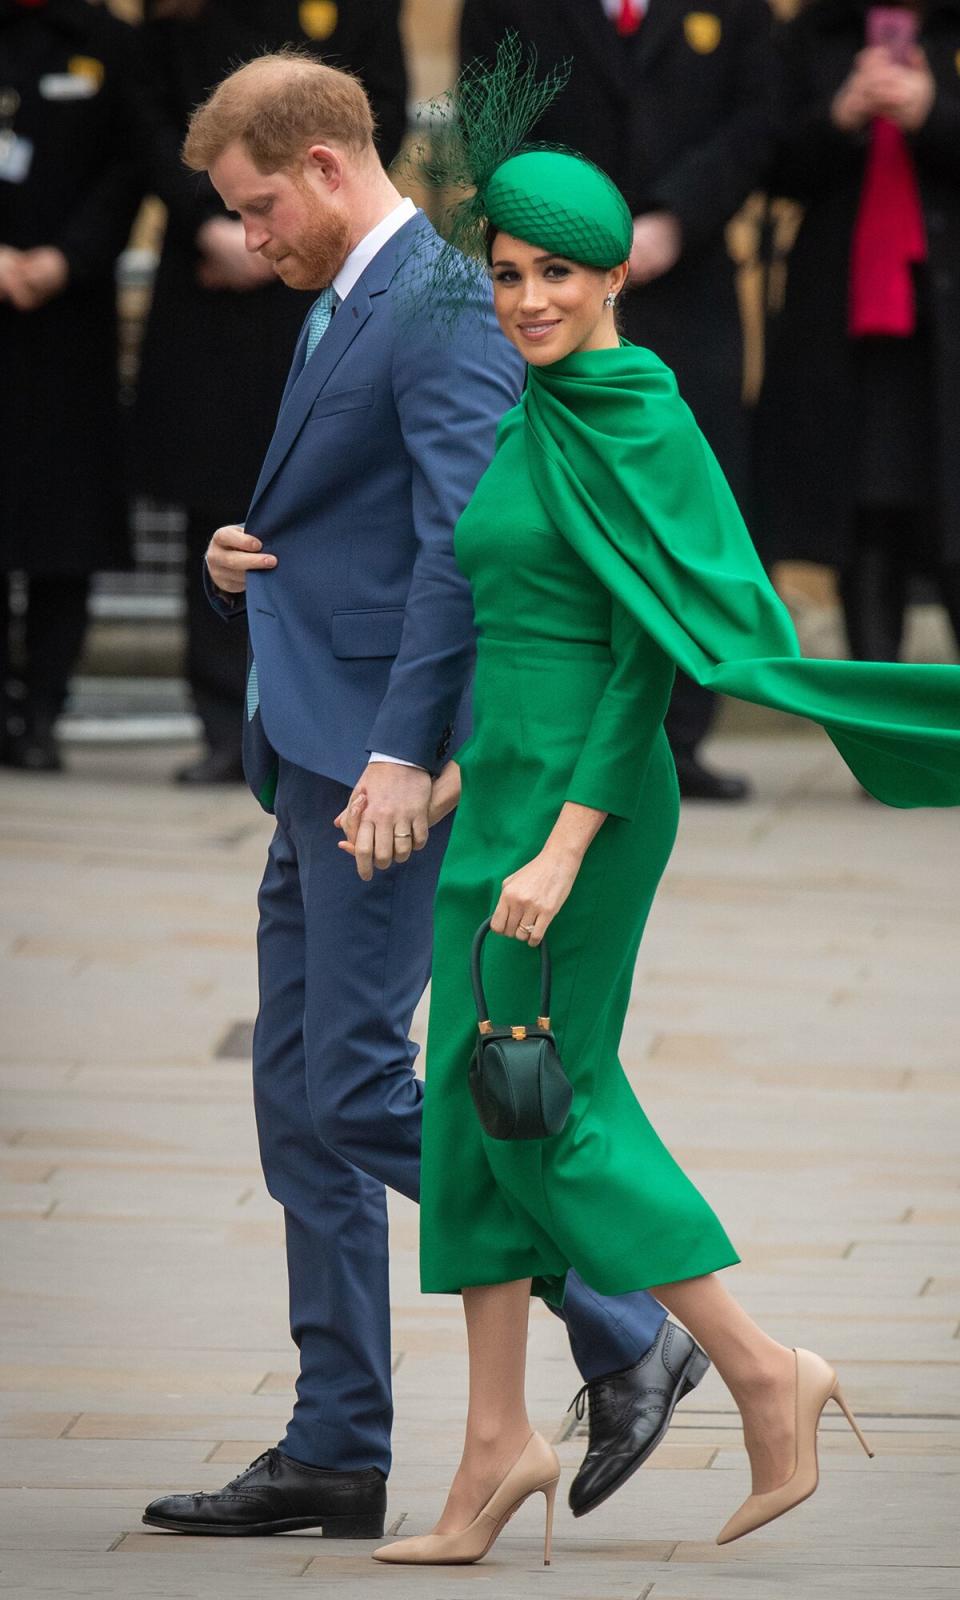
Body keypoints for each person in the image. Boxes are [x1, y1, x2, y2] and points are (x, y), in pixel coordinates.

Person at [345, 69, 960, 1566]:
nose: (529, 297)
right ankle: (494, 1451)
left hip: (585, 806)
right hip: (496, 794)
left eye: (559, 272)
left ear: (618, 275)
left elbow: (643, 664)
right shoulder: (538, 412)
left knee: (550, 1102)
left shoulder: (638, 417)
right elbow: (481, 589)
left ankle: (763, 1370)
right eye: (506, 274)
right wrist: (430, 766)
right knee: (471, 1114)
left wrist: (563, 843)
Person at [141, 53, 708, 1544]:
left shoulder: (441, 305)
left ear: (326, 167)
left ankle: (630, 1319)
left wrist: (416, 757)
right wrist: (252, 560)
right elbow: (385, 524)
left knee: (355, 1088)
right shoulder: (347, 297)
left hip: (393, 775)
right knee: (297, 1107)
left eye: (260, 210)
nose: (247, 239)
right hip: (315, 750)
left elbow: (480, 550)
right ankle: (337, 1441)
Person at [461, 0, 780, 802]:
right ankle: (564, 721)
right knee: (553, 499)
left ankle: (681, 735)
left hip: (691, 273)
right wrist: (569, 233)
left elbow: (761, 115)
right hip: (556, 276)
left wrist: (674, 216)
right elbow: (490, 116)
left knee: (678, 507)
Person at [131, 0, 408, 785]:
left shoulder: (412, 302)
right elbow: (153, 118)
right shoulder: (178, 15)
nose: (254, 227)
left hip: (320, 270)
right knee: (214, 502)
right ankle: (229, 719)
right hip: (207, 291)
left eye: (258, 212)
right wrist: (210, 225)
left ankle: (300, 713)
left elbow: (373, 112)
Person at [758, 0, 960, 667]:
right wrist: (840, 115)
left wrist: (935, 114)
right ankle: (883, 748)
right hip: (851, 330)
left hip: (942, 328)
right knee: (869, 521)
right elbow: (765, 157)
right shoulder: (814, 34)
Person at [0, 0, 141, 771]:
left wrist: (67, 257)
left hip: (67, 320)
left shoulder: (104, 42)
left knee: (63, 528)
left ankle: (44, 709)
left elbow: (131, 166)